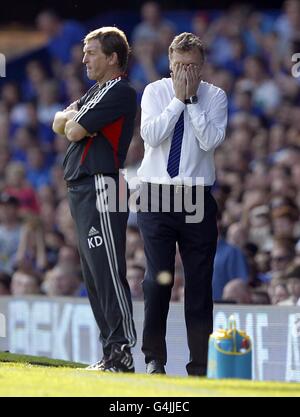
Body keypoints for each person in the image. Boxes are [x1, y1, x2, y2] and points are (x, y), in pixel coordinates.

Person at [136, 32, 228, 375]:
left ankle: (200, 364)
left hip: (196, 197)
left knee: (200, 283)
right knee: (157, 279)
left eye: (190, 66)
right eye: (178, 65)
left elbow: (211, 141)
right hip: (156, 194)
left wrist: (191, 103)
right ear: (169, 63)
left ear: (202, 66)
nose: (184, 72)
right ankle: (154, 359)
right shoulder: (154, 91)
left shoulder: (215, 96)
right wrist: (177, 100)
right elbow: (152, 135)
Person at [52, 27, 137, 372]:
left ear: (112, 57)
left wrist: (75, 121)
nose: (84, 58)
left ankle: (122, 350)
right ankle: (110, 351)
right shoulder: (95, 92)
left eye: (91, 52)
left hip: (103, 185)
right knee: (92, 274)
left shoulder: (120, 91)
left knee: (107, 271)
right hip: (83, 187)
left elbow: (70, 130)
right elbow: (59, 121)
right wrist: (77, 120)